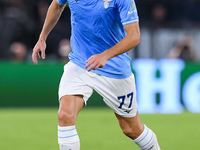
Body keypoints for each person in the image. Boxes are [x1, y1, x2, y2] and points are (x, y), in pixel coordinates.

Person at [32, 0, 161, 150]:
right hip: (80, 64)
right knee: (65, 116)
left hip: (114, 69)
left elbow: (134, 36)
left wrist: (105, 56)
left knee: (131, 129)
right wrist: (42, 37)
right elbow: (57, 5)